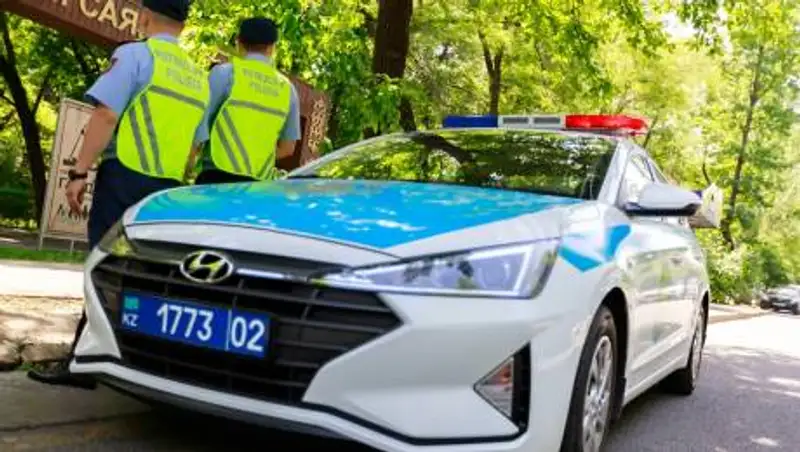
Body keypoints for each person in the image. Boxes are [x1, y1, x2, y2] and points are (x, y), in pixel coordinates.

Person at [27, 0, 209, 389]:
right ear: (182, 25)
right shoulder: (197, 77)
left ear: (144, 16)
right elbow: (196, 145)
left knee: (103, 267)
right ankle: (134, 361)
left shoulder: (135, 56)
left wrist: (79, 172)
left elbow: (106, 115)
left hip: (124, 177)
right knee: (148, 275)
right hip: (167, 190)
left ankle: (85, 364)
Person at [189, 17, 301, 184]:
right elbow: (288, 148)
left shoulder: (225, 74)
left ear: (239, 43)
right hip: (257, 185)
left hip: (216, 177)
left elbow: (199, 126)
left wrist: (189, 163)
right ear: (272, 48)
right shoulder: (287, 89)